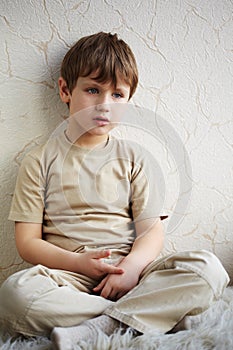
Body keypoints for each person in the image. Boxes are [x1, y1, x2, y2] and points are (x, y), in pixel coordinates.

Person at [0, 32, 229, 350]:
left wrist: (131, 269)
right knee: (15, 295)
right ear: (66, 90)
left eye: (117, 95)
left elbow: (152, 232)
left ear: (128, 100)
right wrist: (79, 264)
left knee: (208, 270)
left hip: (132, 273)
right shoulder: (39, 161)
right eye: (93, 90)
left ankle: (103, 324)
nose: (104, 105)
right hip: (70, 275)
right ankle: (152, 315)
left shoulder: (135, 158)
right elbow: (27, 243)